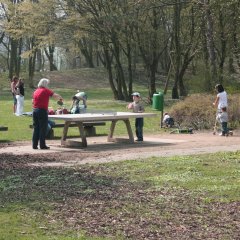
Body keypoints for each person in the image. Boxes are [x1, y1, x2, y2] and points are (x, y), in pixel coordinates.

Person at [32, 78, 63, 150]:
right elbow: (54, 95)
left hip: (35, 110)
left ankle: (34, 145)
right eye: (47, 84)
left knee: (36, 128)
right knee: (43, 128)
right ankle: (42, 145)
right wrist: (60, 97)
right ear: (45, 84)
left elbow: (34, 101)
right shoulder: (45, 90)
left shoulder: (36, 91)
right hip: (42, 111)